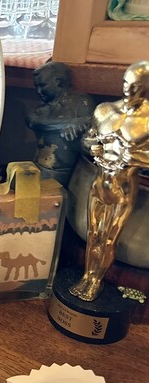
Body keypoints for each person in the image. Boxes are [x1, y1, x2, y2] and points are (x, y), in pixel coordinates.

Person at [69, 60, 149, 301]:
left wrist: (132, 157)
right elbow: (86, 140)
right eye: (125, 83)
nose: (128, 90)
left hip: (123, 188)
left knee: (108, 239)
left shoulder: (147, 120)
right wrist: (91, 147)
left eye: (135, 86)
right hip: (99, 182)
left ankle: (96, 281)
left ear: (145, 87)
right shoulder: (105, 110)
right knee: (93, 235)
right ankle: (86, 277)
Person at [27, 61, 95, 186]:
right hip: (39, 168)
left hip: (68, 174)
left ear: (58, 82)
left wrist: (82, 125)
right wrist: (70, 123)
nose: (38, 91)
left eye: (42, 85)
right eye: (36, 86)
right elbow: (34, 121)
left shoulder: (82, 103)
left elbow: (90, 133)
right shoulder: (42, 110)